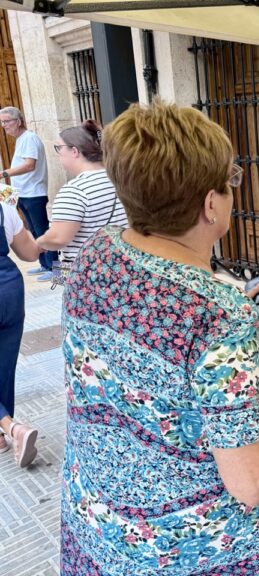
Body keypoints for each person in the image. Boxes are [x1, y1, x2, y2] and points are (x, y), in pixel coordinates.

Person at [59, 100, 259, 574]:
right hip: (195, 553)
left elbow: (141, 374)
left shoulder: (96, 254)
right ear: (211, 202)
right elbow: (250, 481)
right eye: (231, 180)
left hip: (98, 526)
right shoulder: (220, 315)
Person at [35, 120, 128, 263]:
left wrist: (37, 244)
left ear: (74, 151)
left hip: (85, 269)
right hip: (120, 262)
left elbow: (58, 238)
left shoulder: (74, 190)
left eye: (59, 148)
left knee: (60, 284)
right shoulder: (122, 180)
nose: (58, 154)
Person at [0, 201, 42, 468]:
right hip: (8, 290)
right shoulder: (3, 209)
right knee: (4, 367)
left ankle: (12, 428)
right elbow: (30, 254)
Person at [0, 106, 57, 281]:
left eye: (7, 121)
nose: (4, 125)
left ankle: (57, 271)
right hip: (22, 193)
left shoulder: (30, 138)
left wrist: (4, 173)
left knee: (43, 231)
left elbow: (29, 165)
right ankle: (44, 264)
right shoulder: (21, 139)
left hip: (34, 193)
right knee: (32, 230)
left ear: (19, 121)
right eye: (2, 122)